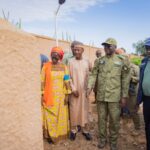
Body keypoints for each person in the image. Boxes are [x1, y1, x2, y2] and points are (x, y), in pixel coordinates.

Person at [87, 38, 130, 150]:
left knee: (114, 121)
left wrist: (124, 96)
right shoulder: (99, 60)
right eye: (105, 46)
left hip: (114, 97)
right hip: (101, 96)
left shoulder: (122, 60)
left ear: (115, 47)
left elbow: (125, 79)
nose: (106, 48)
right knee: (101, 120)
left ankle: (113, 141)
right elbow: (93, 74)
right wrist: (89, 86)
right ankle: (102, 139)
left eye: (109, 46)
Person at [41, 46, 71, 143]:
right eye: (53, 55)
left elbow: (67, 80)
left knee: (60, 116)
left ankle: (59, 134)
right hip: (49, 95)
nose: (54, 57)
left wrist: (67, 94)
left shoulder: (64, 67)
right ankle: (51, 135)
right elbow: (42, 81)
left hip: (61, 96)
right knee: (50, 116)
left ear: (60, 56)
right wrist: (42, 94)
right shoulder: (45, 66)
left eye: (56, 55)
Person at [68, 42, 92, 141]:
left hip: (84, 91)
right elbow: (66, 76)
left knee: (84, 111)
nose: (76, 51)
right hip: (75, 91)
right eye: (75, 49)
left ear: (82, 50)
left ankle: (85, 130)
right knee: (74, 110)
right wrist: (73, 89)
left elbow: (92, 75)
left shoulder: (87, 61)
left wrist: (89, 88)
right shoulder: (70, 62)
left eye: (78, 50)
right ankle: (73, 130)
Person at [116, 49, 141, 133]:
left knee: (133, 110)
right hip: (123, 92)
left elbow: (139, 79)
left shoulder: (135, 67)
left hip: (132, 92)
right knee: (119, 108)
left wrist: (130, 78)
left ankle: (137, 128)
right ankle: (119, 126)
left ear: (128, 58)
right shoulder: (121, 68)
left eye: (125, 58)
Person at [137, 37, 150, 150]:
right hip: (147, 99)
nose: (148, 50)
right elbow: (141, 79)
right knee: (147, 124)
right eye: (147, 48)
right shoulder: (144, 61)